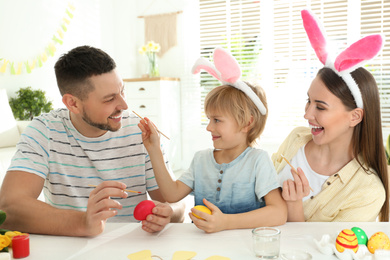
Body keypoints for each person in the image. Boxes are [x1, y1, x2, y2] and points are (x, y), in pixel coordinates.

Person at [0, 46, 185, 236]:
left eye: (122, 91)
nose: (124, 105)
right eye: (109, 99)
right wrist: (83, 223)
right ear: (73, 104)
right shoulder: (44, 131)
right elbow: (8, 207)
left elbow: (176, 204)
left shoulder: (141, 133)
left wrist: (169, 214)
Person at [138, 47, 287, 233]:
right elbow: (171, 194)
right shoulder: (201, 160)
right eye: (209, 119)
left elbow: (279, 213)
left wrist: (225, 222)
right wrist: (154, 149)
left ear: (246, 123)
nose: (209, 127)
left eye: (217, 120)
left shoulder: (258, 161)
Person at [272, 10, 389, 222]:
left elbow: (326, 252)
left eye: (321, 107)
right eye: (309, 101)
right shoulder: (296, 139)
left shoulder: (368, 192)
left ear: (355, 117)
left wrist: (293, 205)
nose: (307, 114)